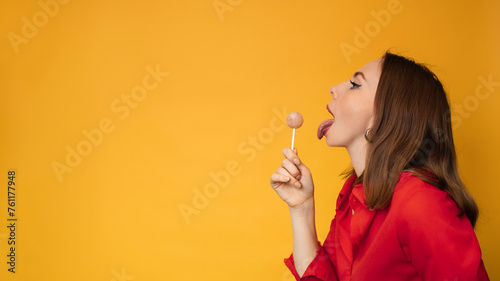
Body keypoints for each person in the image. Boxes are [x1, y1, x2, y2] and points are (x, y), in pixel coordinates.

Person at [270, 51, 490, 281]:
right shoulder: (355, 196)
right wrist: (301, 207)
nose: (334, 88)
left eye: (355, 84)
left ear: (388, 115)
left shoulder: (420, 204)